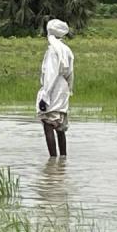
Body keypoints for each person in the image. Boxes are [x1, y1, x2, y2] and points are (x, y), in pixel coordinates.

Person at [36, 19, 74, 157]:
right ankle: (63, 158)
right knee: (59, 125)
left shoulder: (53, 51)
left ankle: (52, 159)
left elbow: (50, 75)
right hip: (63, 87)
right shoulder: (66, 50)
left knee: (48, 123)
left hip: (53, 88)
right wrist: (68, 89)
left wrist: (45, 96)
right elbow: (71, 73)